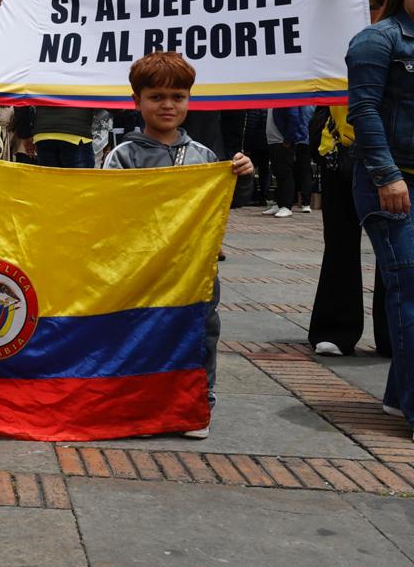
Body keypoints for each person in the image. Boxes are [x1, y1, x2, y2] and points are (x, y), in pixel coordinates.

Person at [104, 51, 254, 439]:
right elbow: (109, 210)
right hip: (142, 270)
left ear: (189, 99)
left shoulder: (204, 157)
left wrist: (242, 175)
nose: (168, 105)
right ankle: (139, 404)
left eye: (177, 96)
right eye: (156, 97)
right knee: (140, 332)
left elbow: (224, 203)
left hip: (195, 268)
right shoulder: (123, 155)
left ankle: (197, 404)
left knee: (201, 331)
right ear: (136, 102)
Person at [346, 0, 414, 433]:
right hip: (390, 182)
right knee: (409, 289)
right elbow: (364, 111)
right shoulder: (378, 40)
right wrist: (387, 175)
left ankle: (397, 396)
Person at [309, 0, 392, 358]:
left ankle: (393, 333)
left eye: (376, 6)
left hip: (389, 158)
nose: (370, 14)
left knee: (393, 248)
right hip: (338, 151)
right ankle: (336, 329)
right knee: (339, 243)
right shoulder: (342, 42)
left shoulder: (397, 43)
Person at [263, 106, 314, 218]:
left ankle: (286, 205)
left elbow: (294, 117)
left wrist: (288, 139)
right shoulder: (274, 99)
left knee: (285, 173)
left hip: (281, 141)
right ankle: (280, 203)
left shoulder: (286, 97)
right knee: (278, 173)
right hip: (274, 141)